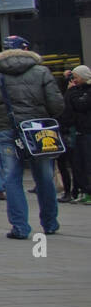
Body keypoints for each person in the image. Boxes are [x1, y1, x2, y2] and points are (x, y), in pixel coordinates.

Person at [0, 35, 64, 240]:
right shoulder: (41, 71)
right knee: (44, 178)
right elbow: (57, 104)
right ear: (26, 49)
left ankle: (20, 227)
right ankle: (50, 223)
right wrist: (44, 116)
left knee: (12, 178)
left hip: (7, 130)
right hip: (38, 129)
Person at [66, 66, 91, 204]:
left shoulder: (85, 92)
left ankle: (88, 191)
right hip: (79, 131)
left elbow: (80, 105)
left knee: (87, 163)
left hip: (87, 131)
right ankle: (83, 190)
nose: (74, 80)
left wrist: (72, 91)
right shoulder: (78, 91)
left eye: (76, 77)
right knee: (78, 164)